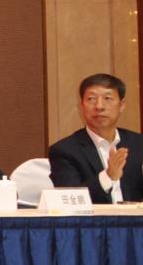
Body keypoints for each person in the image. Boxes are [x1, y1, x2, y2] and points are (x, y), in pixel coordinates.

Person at [48, 73, 143, 204]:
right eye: (91, 99)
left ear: (121, 105)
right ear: (81, 106)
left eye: (108, 98)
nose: (99, 106)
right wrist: (108, 176)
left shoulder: (138, 144)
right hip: (95, 218)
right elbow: (70, 201)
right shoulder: (64, 151)